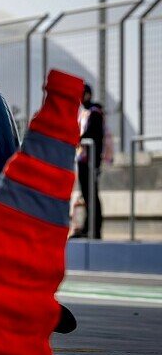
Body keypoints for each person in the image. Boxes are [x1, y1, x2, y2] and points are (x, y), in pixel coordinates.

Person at [72, 83, 104, 239]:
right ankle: (87, 227)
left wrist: (96, 163)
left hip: (90, 161)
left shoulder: (95, 113)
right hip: (82, 160)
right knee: (86, 195)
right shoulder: (84, 112)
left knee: (92, 195)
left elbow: (95, 137)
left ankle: (95, 230)